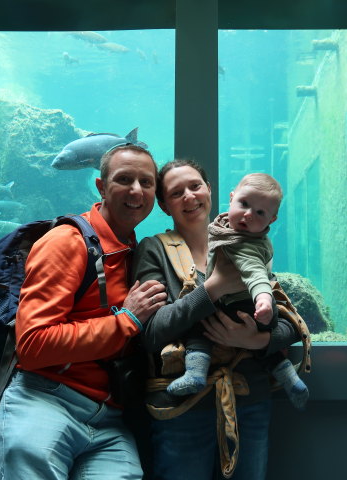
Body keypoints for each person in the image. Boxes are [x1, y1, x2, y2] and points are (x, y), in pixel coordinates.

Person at [0, 144, 168, 480]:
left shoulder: (135, 251)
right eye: (124, 179)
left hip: (109, 420)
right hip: (45, 399)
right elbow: (32, 346)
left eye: (146, 183)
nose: (136, 190)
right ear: (100, 186)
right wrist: (126, 321)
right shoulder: (66, 242)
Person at [131, 159, 303, 480]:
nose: (189, 196)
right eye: (175, 192)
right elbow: (151, 333)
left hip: (248, 401)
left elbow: (289, 323)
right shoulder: (154, 249)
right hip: (181, 408)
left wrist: (255, 340)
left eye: (195, 186)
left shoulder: (248, 240)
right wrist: (214, 287)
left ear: (209, 190)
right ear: (165, 206)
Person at [166, 173, 309, 410]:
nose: (249, 214)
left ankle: (195, 372)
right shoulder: (224, 230)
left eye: (260, 213)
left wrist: (263, 299)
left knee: (199, 325)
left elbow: (255, 275)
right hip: (251, 312)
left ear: (271, 220)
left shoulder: (244, 244)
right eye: (244, 204)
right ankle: (288, 376)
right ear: (231, 199)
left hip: (244, 307)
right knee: (260, 346)